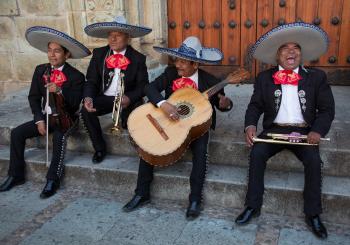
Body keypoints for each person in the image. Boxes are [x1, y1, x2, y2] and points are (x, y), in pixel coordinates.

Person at [235, 23, 335, 239]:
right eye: (285, 48)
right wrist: (250, 125)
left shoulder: (317, 77)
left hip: (304, 132)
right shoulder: (264, 78)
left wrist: (317, 130)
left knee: (314, 162)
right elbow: (255, 106)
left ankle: (313, 214)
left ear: (301, 53)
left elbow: (327, 109)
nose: (291, 52)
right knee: (257, 153)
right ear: (277, 56)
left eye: (295, 48)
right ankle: (252, 206)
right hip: (274, 130)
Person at [123, 36, 233, 220]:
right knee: (148, 146)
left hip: (196, 126)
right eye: (177, 60)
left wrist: (224, 104)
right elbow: (149, 88)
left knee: (201, 151)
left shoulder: (210, 81)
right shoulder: (170, 73)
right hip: (170, 124)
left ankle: (195, 199)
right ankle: (142, 193)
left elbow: (225, 105)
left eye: (183, 62)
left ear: (195, 64)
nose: (178, 65)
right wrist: (163, 104)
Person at [0, 26, 90, 198]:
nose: (52, 55)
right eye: (49, 51)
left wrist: (60, 91)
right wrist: (39, 119)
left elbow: (74, 103)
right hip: (46, 117)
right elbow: (34, 97)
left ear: (67, 55)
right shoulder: (41, 70)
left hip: (66, 118)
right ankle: (15, 175)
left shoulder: (76, 76)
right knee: (17, 133)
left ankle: (52, 180)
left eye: (57, 51)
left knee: (58, 136)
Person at [81, 16, 151, 163]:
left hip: (127, 99)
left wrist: (129, 98)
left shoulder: (138, 58)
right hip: (105, 98)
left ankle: (140, 143)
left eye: (117, 35)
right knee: (85, 110)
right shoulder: (99, 54)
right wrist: (88, 98)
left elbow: (143, 86)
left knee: (132, 120)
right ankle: (99, 148)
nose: (112, 39)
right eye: (110, 35)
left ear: (128, 37)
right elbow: (91, 81)